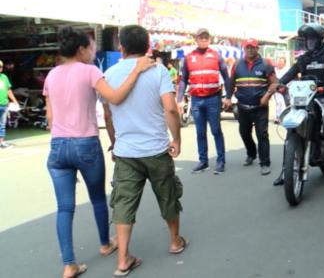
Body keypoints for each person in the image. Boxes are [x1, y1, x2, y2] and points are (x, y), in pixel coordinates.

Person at [43, 26, 155, 278]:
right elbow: (114, 98)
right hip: (86, 144)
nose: (93, 51)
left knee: (64, 208)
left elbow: (50, 117)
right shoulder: (90, 71)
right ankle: (105, 244)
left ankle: (69, 264)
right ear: (81, 49)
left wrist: (64, 142)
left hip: (58, 146)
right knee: (97, 198)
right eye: (91, 47)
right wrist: (136, 71)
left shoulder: (51, 75)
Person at [102, 25, 186, 277]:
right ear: (147, 46)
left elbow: (107, 114)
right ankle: (174, 241)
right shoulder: (158, 70)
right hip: (156, 148)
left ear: (122, 48)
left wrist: (115, 141)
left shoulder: (109, 73)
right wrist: (177, 139)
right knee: (167, 194)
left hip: (126, 152)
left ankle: (122, 259)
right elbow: (170, 108)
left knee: (123, 202)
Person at [274, 23, 324, 187]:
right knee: (291, 129)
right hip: (304, 99)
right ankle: (285, 170)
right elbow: (290, 73)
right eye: (307, 39)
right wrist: (279, 83)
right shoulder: (303, 59)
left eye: (313, 39)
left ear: (321, 40)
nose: (310, 42)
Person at [177, 28, 231, 174]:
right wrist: (179, 99)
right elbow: (183, 80)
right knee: (200, 132)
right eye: (201, 37)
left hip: (213, 99)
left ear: (210, 39)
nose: (204, 39)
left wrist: (228, 97)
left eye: (206, 37)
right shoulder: (189, 57)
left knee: (216, 130)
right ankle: (203, 161)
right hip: (196, 100)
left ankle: (221, 161)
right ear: (196, 38)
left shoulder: (216, 56)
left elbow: (226, 78)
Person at [227, 38, 277, 175]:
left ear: (257, 49)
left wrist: (267, 96)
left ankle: (265, 163)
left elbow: (274, 83)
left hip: (260, 107)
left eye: (252, 47)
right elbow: (231, 83)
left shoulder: (266, 64)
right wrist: (227, 98)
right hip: (243, 107)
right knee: (244, 133)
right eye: (247, 47)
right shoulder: (237, 64)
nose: (250, 49)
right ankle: (251, 153)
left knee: (262, 134)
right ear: (244, 49)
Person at [0, 60, 18, 148]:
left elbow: (8, 90)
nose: (0, 68)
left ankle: (1, 142)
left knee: (2, 124)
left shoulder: (4, 77)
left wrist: (14, 100)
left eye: (1, 67)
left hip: (4, 104)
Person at [273, 57, 288, 124]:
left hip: (286, 89)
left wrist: (284, 87)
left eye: (281, 62)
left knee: (287, 104)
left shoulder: (287, 70)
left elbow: (289, 79)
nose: (280, 63)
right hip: (277, 88)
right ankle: (278, 117)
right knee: (279, 102)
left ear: (284, 64)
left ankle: (285, 116)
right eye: (279, 62)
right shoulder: (275, 70)